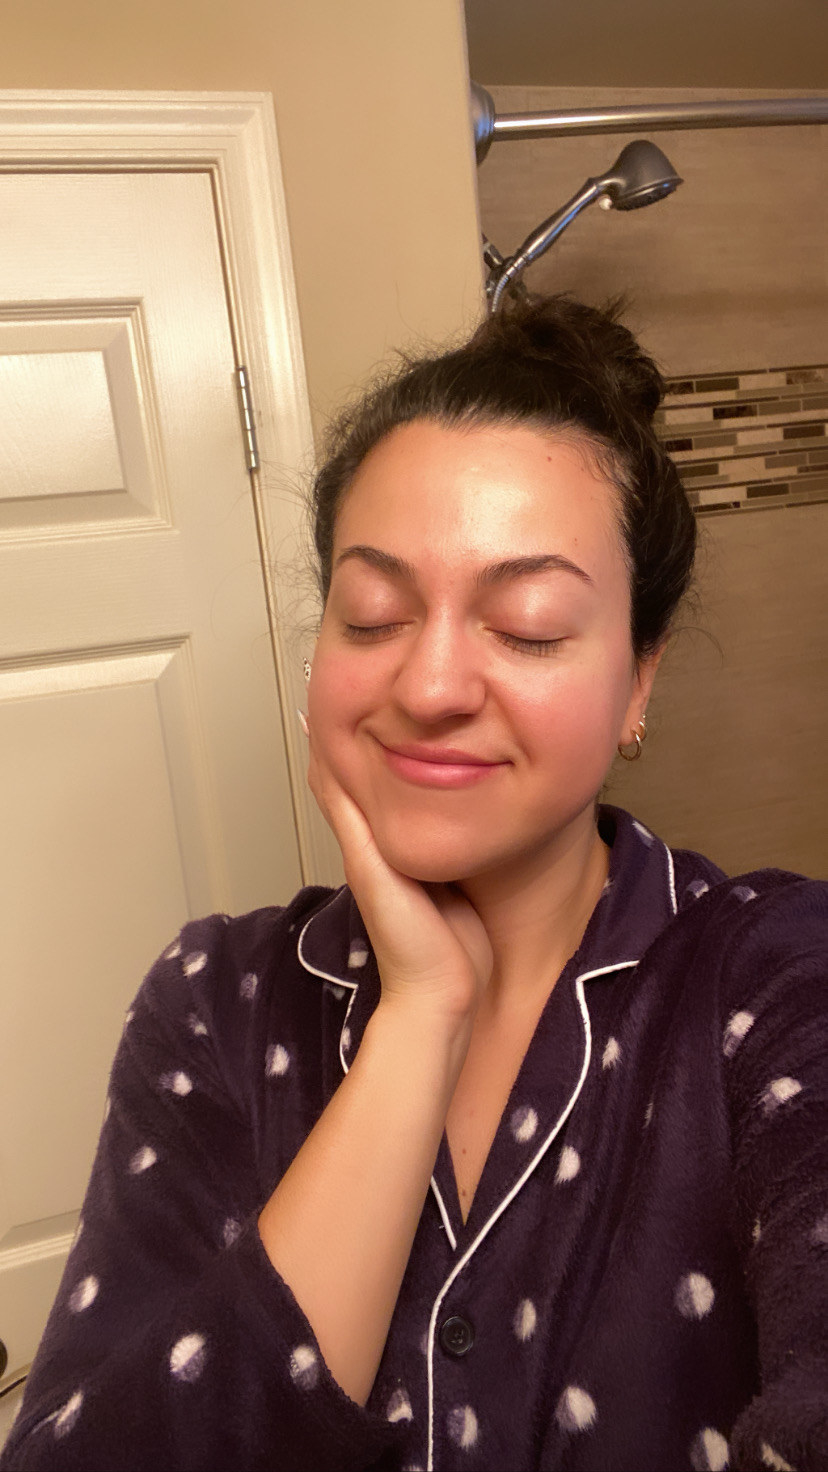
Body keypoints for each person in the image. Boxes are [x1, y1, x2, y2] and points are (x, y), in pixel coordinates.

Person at [2, 295, 826, 1472]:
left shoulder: (778, 981)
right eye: (374, 612)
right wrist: (419, 1015)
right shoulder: (212, 1004)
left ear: (638, 680)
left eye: (531, 626)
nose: (432, 681)